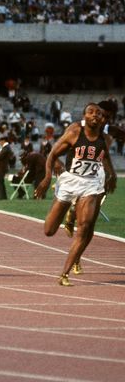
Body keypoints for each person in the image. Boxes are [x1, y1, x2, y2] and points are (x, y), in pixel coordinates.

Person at [35, 103, 115, 286]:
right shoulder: (74, 132)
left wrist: (112, 175)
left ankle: (64, 273)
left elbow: (106, 157)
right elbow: (52, 154)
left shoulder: (105, 138)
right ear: (84, 116)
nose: (95, 115)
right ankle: (69, 210)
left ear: (103, 118)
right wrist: (47, 178)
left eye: (99, 113)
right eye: (91, 112)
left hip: (91, 185)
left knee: (86, 227)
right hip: (70, 181)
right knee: (49, 230)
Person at [0, 134, 14, 200]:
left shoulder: (6, 148)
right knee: (0, 181)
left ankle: (1, 197)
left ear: (3, 141)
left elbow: (0, 156)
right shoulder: (5, 148)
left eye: (0, 141)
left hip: (2, 167)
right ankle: (3, 197)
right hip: (1, 166)